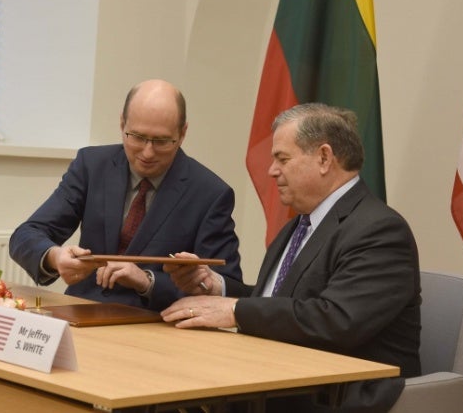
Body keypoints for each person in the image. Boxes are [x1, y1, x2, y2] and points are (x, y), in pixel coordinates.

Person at [161, 103, 421, 413]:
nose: (272, 170)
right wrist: (217, 288)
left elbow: (337, 320)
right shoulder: (299, 224)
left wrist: (235, 310)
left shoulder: (379, 230)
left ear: (324, 158)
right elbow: (281, 301)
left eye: (282, 159)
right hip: (279, 379)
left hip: (335, 396)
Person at [9, 79, 243, 311]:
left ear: (182, 134)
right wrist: (55, 257)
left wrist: (147, 281)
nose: (148, 152)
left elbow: (228, 288)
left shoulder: (210, 193)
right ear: (122, 124)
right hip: (82, 310)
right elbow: (25, 236)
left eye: (161, 141)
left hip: (156, 323)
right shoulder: (92, 166)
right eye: (138, 137)